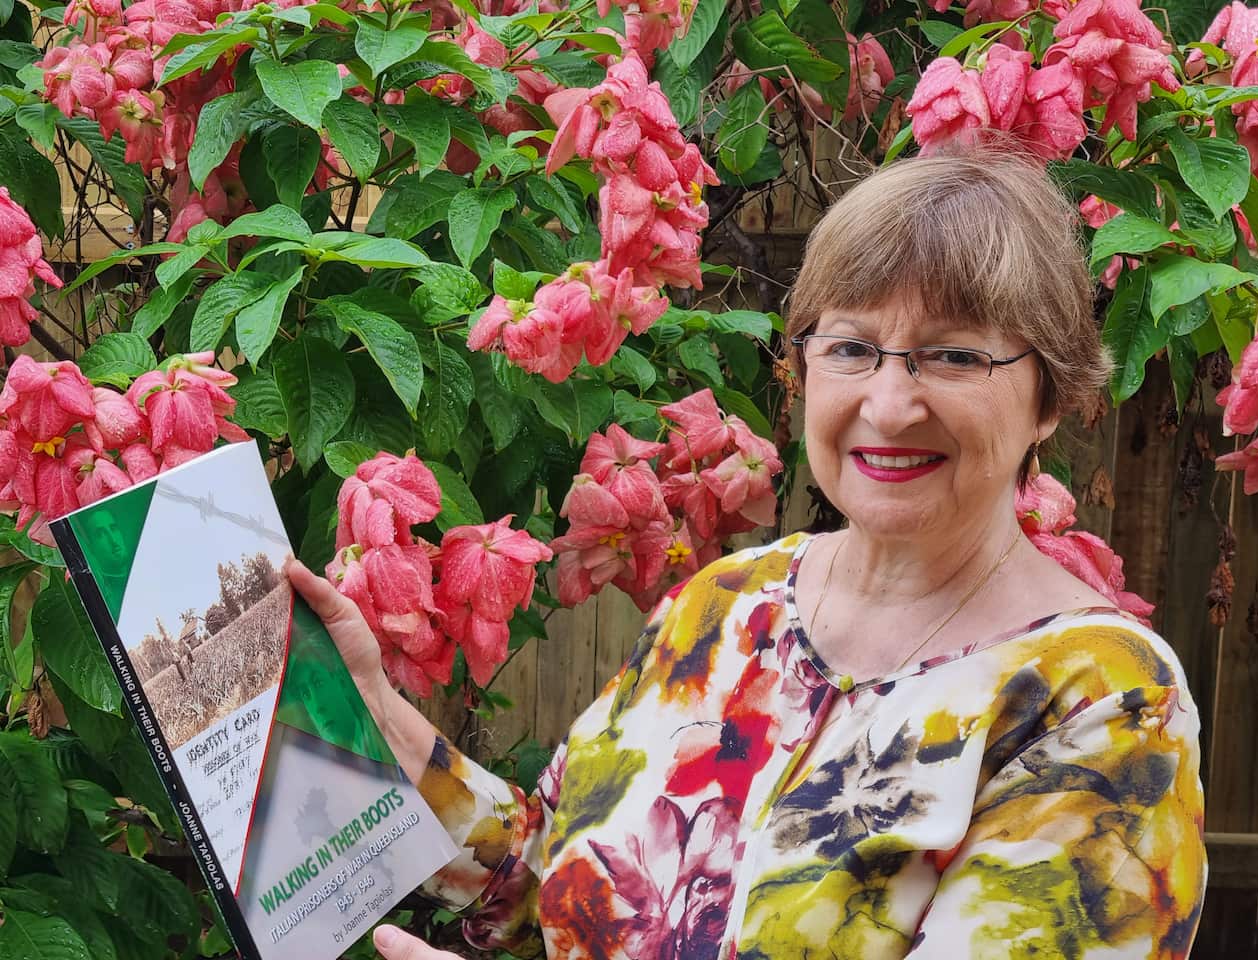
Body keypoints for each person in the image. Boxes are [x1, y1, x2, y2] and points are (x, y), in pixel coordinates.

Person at [287, 147, 1206, 960]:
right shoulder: (725, 603)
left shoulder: (1102, 701)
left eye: (954, 357)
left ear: (1051, 396)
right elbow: (544, 881)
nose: (887, 405)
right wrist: (373, 714)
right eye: (851, 347)